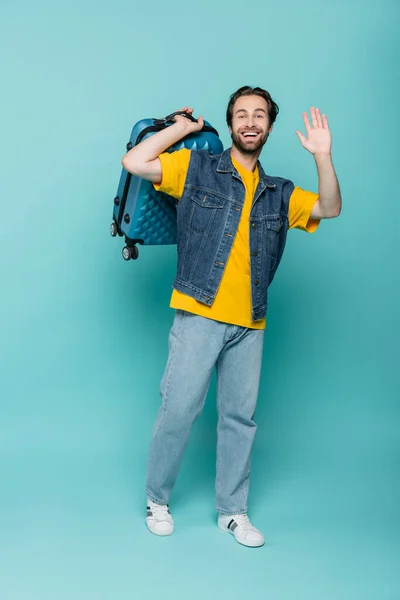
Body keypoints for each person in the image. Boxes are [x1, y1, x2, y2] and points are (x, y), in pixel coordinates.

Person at [121, 86, 342, 548]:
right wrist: (183, 129)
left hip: (251, 322)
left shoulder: (279, 192)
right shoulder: (198, 169)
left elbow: (330, 207)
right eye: (241, 114)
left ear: (268, 127)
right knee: (179, 408)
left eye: (259, 115)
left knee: (240, 417)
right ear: (231, 122)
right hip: (200, 312)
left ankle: (232, 511)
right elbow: (135, 163)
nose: (249, 121)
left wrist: (323, 157)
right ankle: (157, 499)